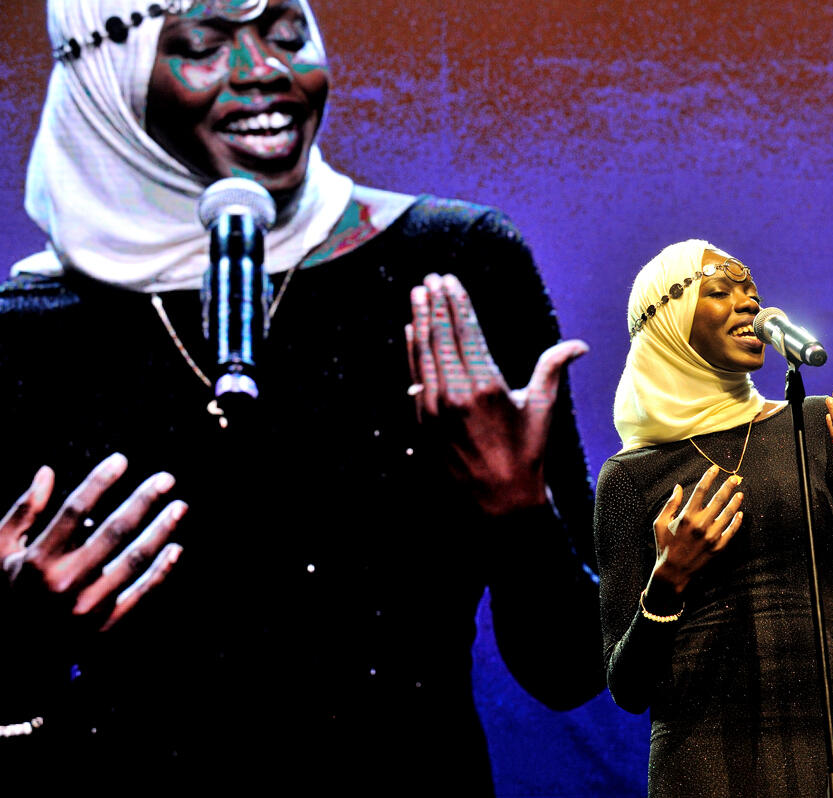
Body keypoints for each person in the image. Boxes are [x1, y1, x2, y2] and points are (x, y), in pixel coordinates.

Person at [0, 0, 601, 789]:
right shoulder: (30, 337)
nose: (266, 71)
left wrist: (519, 514)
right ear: (108, 76)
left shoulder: (452, 264)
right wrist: (19, 647)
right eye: (205, 44)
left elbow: (572, 669)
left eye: (288, 34)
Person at [594, 240, 833, 797]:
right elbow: (628, 686)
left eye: (752, 294)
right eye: (721, 291)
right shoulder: (631, 477)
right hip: (703, 755)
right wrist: (667, 583)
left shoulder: (811, 427)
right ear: (667, 322)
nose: (750, 307)